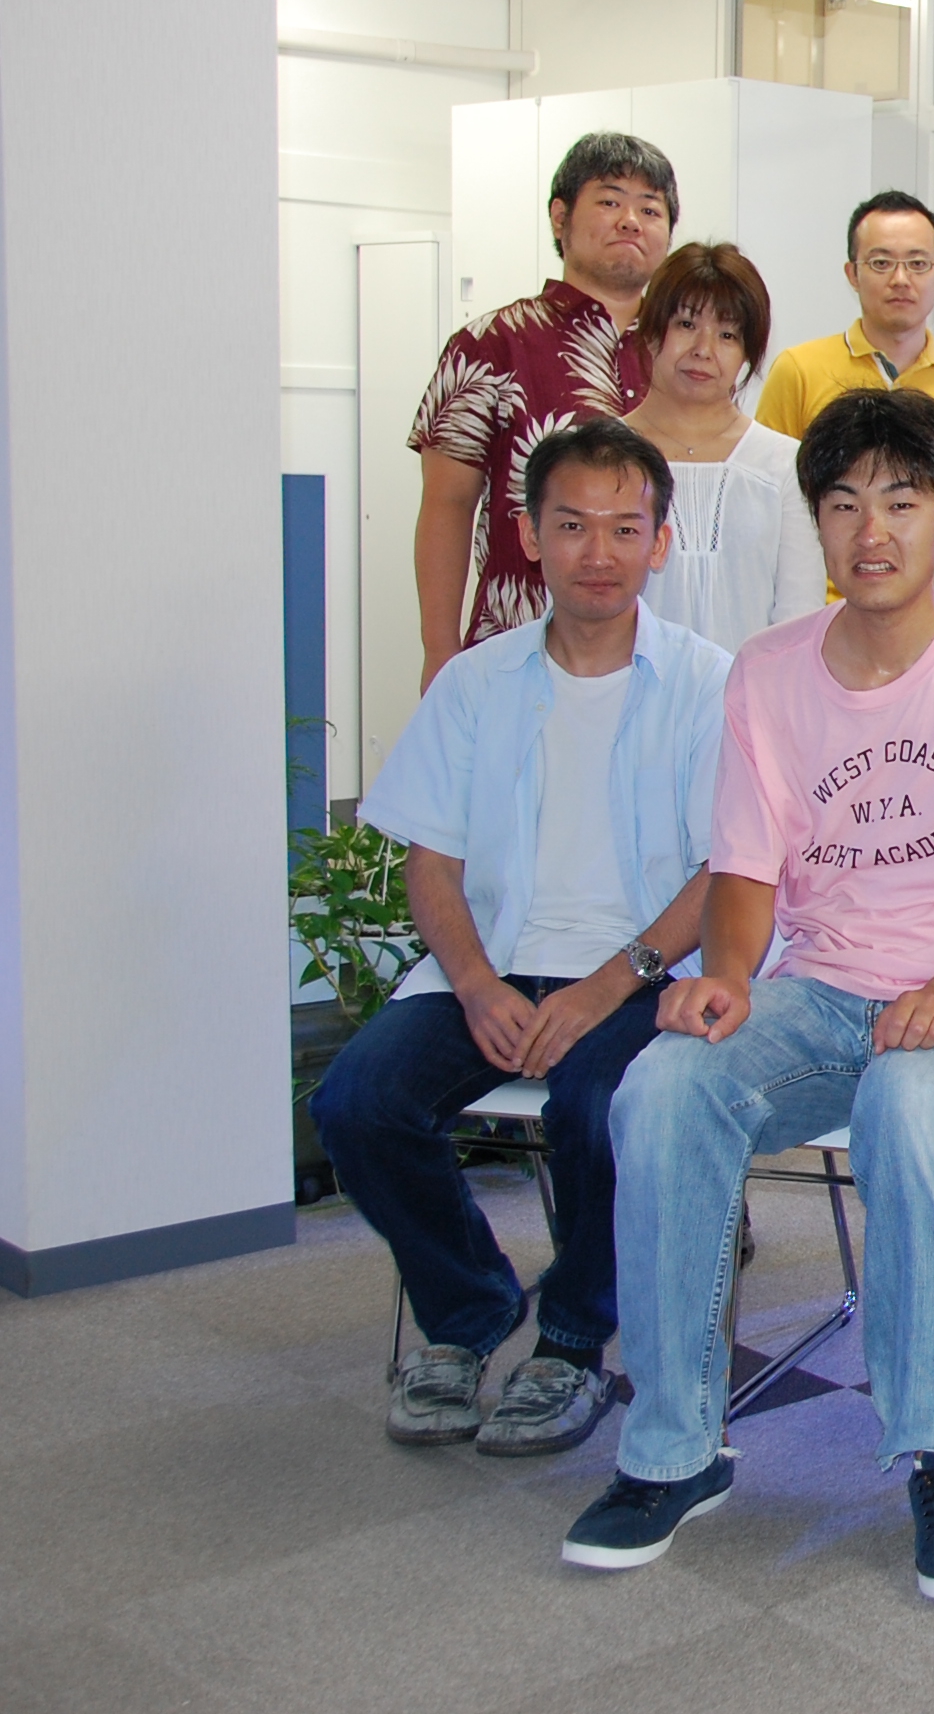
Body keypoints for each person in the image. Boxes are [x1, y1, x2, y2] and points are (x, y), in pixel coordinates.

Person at [563, 390, 934, 1603]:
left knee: (910, 1105)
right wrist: (721, 977)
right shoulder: (766, 673)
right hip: (814, 990)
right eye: (845, 503)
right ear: (815, 521)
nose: (872, 530)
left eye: (902, 502)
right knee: (662, 1088)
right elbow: (746, 874)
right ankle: (671, 1447)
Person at [314, 419, 726, 1456]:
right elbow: (434, 863)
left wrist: (606, 985)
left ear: (660, 542)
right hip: (489, 966)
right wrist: (473, 982)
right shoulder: (475, 682)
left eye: (624, 528)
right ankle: (468, 1311)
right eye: (572, 526)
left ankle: (573, 1342)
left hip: (641, 975)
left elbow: (724, 871)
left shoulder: (709, 684)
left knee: (603, 1104)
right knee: (357, 1101)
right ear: (531, 536)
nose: (599, 552)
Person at [412, 131, 673, 684]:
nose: (631, 221)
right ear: (560, 218)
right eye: (610, 201)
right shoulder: (492, 344)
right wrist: (438, 650)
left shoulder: (684, 353)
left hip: (656, 666)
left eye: (650, 209)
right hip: (516, 654)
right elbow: (447, 504)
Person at [620, 241, 823, 652]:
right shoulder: (600, 457)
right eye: (686, 324)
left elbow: (798, 620)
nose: (704, 350)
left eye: (728, 335)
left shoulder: (784, 464)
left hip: (755, 690)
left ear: (748, 352)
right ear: (651, 331)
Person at [753, 190, 934, 439]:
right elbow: (768, 464)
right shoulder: (797, 371)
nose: (900, 280)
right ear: (852, 274)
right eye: (881, 263)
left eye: (918, 264)